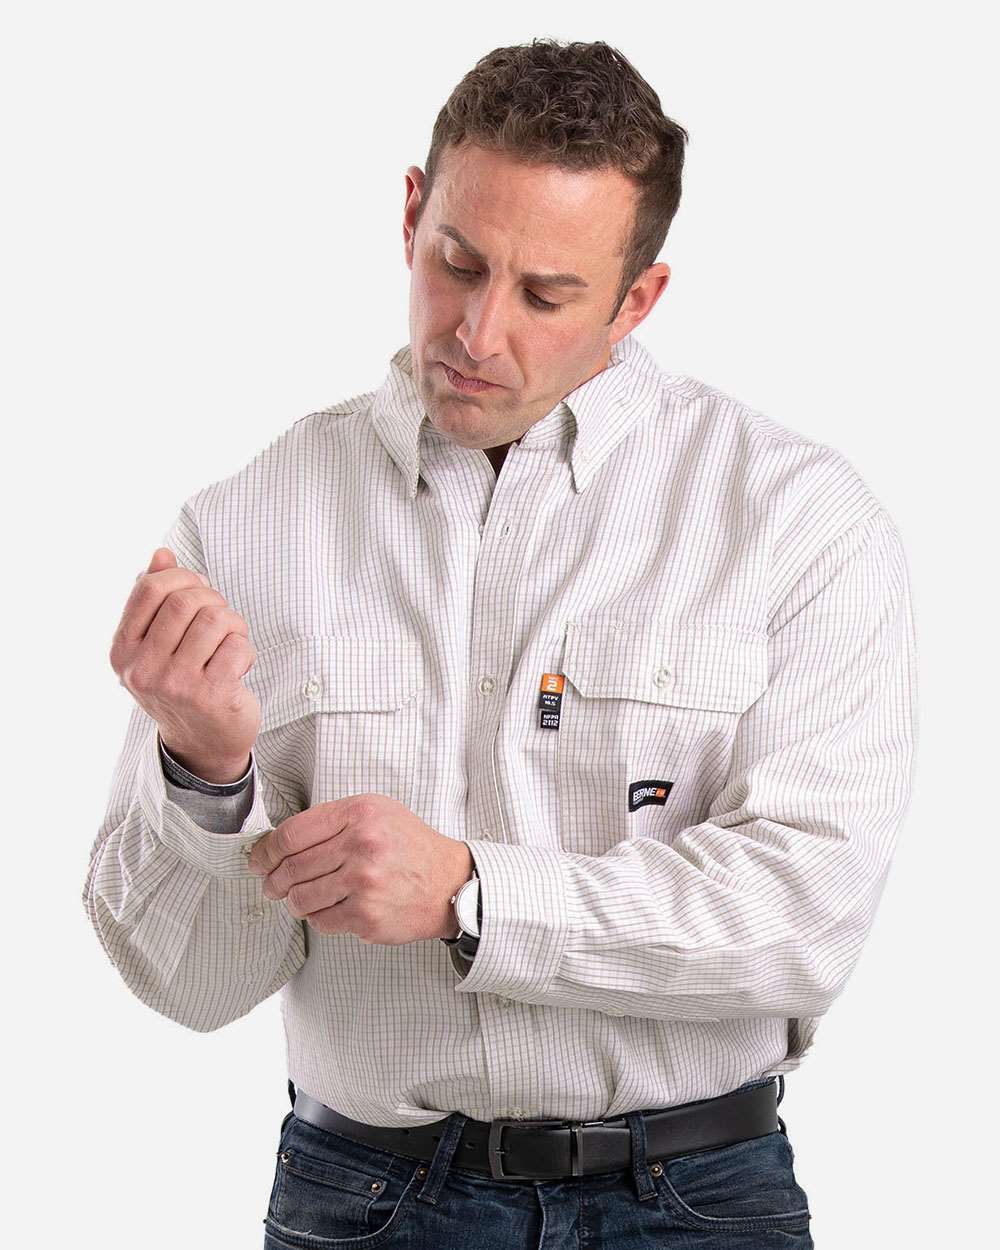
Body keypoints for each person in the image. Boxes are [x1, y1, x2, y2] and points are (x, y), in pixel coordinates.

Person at [83, 37, 917, 1250]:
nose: (477, 331)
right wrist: (207, 775)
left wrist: (472, 896)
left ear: (637, 299)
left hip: (695, 1201)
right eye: (457, 263)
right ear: (410, 214)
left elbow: (803, 919)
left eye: (545, 294)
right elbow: (187, 985)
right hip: (365, 1200)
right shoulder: (246, 523)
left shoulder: (796, 519)